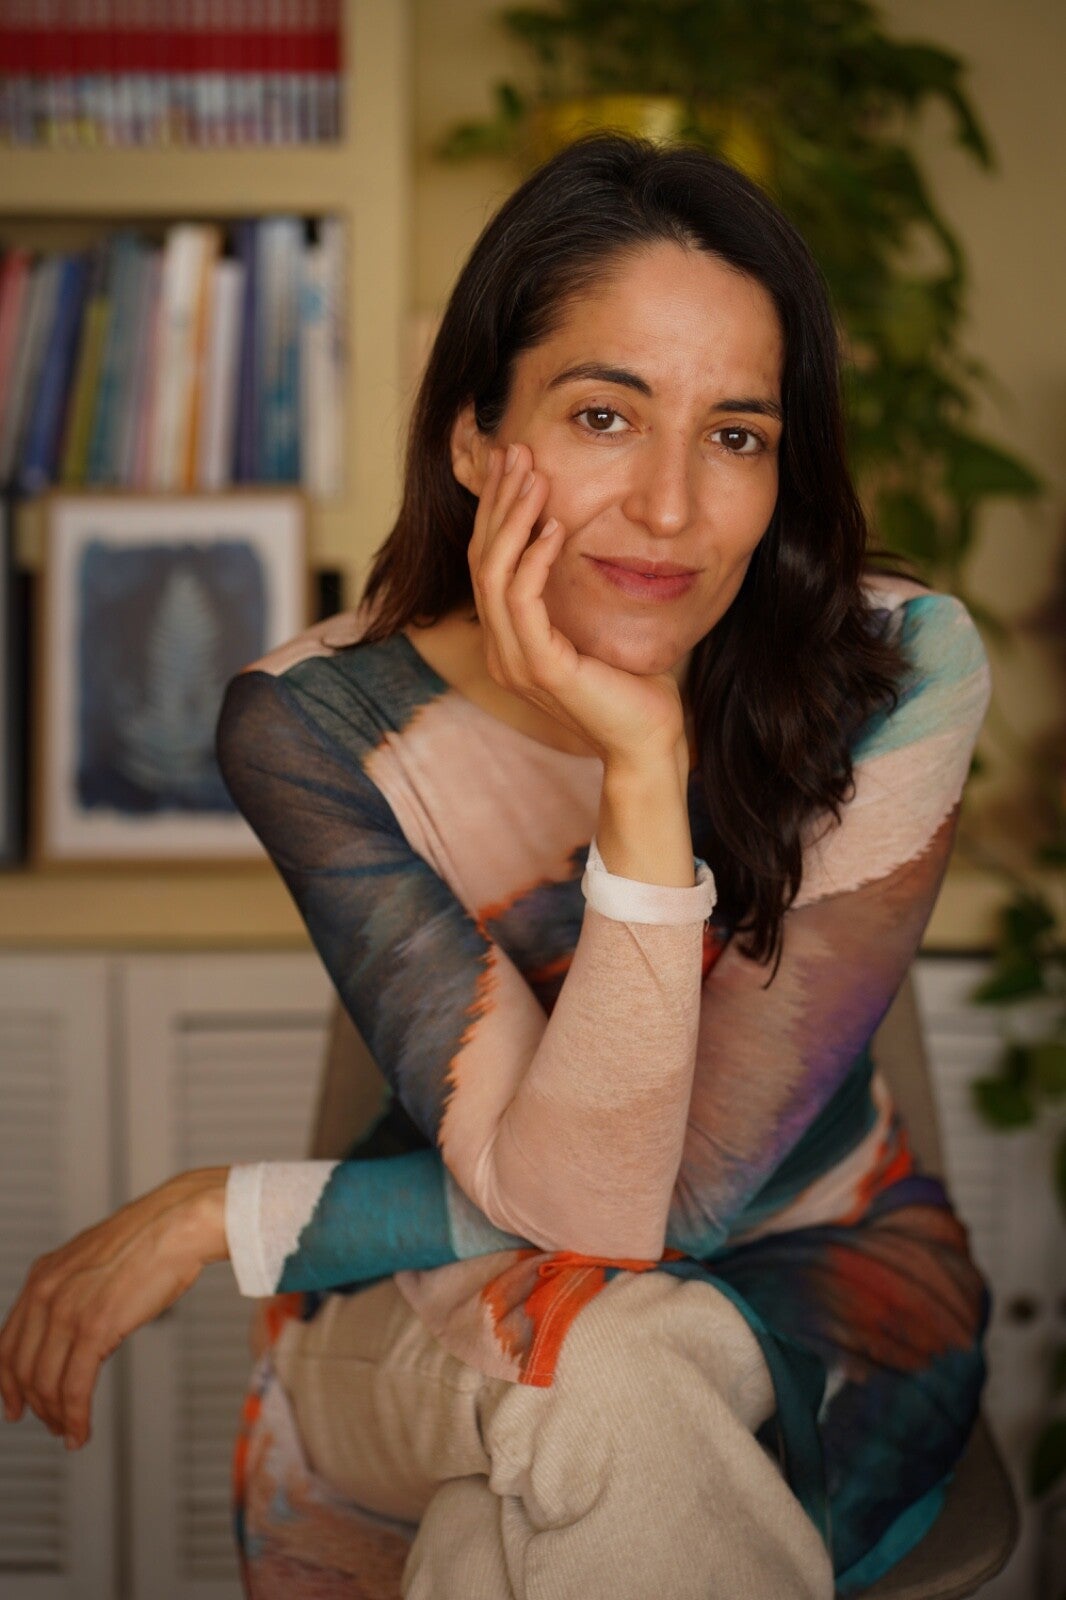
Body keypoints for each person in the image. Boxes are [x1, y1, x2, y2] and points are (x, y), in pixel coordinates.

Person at [0, 135, 992, 1599]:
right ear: (474, 436)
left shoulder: (898, 665)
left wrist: (236, 1209)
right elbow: (584, 1210)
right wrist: (642, 768)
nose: (670, 506)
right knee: (598, 1368)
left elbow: (679, 1200)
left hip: (820, 1282)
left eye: (735, 436)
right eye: (603, 415)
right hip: (439, 1303)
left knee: (520, 1503)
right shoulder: (320, 725)